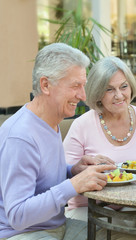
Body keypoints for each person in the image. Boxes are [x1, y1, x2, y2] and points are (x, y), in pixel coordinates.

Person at [0, 43, 116, 239]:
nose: (83, 96)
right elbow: (17, 215)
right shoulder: (20, 137)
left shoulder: (51, 121)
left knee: (121, 235)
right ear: (45, 85)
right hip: (22, 234)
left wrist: (72, 170)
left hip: (57, 227)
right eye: (75, 86)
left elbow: (39, 177)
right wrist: (73, 185)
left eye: (83, 85)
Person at [63, 56, 136, 219]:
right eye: (109, 89)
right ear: (97, 93)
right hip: (88, 208)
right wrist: (83, 168)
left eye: (123, 87)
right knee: (120, 229)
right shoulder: (82, 125)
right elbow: (64, 176)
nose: (119, 95)